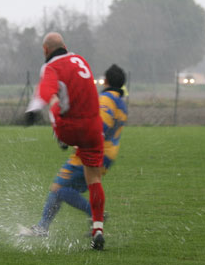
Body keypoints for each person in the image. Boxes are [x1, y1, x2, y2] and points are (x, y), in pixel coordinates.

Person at [23, 64, 128, 244]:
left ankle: (46, 226)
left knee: (59, 189)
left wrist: (77, 138)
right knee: (69, 188)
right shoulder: (121, 103)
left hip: (90, 152)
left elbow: (100, 127)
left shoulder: (106, 100)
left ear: (106, 81)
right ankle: (47, 226)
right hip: (108, 156)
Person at [24, 32, 105, 250]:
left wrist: (32, 110)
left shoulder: (50, 67)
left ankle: (59, 137)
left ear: (45, 50)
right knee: (94, 179)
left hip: (70, 129)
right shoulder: (82, 60)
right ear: (66, 46)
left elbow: (46, 90)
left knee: (54, 100)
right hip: (94, 129)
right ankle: (98, 227)